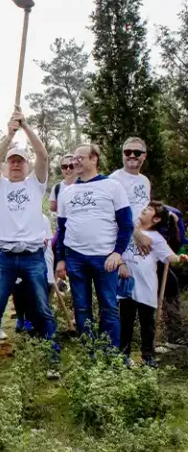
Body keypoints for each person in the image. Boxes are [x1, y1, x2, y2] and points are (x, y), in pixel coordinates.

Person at [0, 110, 58, 380]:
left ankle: (52, 360)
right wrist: (8, 136)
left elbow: (43, 156)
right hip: (2, 257)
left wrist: (27, 128)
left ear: (27, 165)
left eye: (20, 160)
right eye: (12, 161)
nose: (16, 164)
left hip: (32, 256)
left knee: (42, 309)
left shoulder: (36, 185)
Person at [56, 143, 133, 351]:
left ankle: (110, 354)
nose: (75, 162)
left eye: (80, 158)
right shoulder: (67, 192)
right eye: (73, 159)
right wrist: (60, 259)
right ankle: (89, 353)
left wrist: (118, 253)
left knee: (108, 306)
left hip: (105, 257)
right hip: (75, 257)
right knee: (81, 307)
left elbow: (126, 224)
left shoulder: (112, 186)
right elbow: (61, 230)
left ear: (94, 159)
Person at [119, 201, 188, 368]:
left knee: (147, 323)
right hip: (127, 286)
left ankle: (147, 356)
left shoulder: (157, 238)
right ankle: (124, 355)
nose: (144, 209)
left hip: (146, 287)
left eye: (149, 209)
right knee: (125, 321)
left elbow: (168, 256)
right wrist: (120, 263)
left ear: (156, 219)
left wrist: (180, 258)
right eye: (146, 207)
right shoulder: (128, 231)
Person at [110, 137, 151, 219]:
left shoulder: (145, 180)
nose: (132, 155)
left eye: (137, 152)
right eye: (127, 152)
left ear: (144, 155)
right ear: (123, 155)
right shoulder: (113, 180)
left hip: (145, 229)